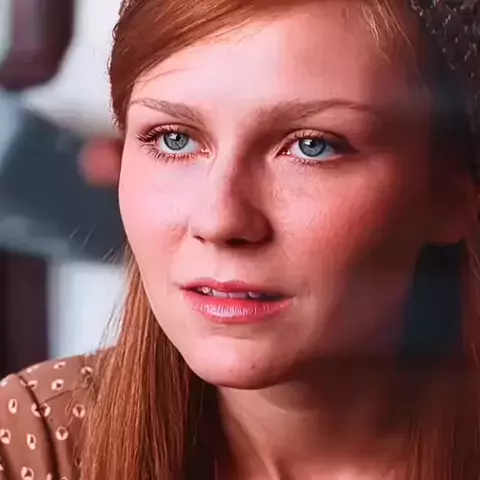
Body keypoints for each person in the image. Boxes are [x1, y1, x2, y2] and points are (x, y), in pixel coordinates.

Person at [1, 0, 480, 478]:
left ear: (448, 197)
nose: (220, 220)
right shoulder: (29, 441)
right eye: (174, 139)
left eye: (312, 146)